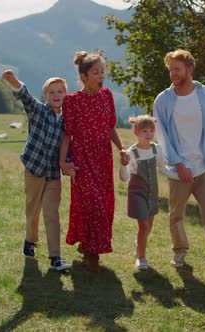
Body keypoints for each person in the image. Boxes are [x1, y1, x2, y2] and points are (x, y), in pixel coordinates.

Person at [153, 49, 205, 278]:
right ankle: (180, 250)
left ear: (189, 69)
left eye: (177, 69)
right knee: (176, 214)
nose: (173, 74)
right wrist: (179, 165)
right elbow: (162, 136)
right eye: (170, 69)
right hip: (179, 170)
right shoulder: (163, 100)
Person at [58, 50, 128, 272]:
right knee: (91, 204)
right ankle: (92, 253)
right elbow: (67, 134)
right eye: (96, 72)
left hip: (103, 158)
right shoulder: (71, 102)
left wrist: (122, 148)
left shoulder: (107, 96)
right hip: (81, 159)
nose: (101, 76)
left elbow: (110, 128)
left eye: (102, 72)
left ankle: (89, 245)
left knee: (103, 205)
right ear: (84, 76)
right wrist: (62, 162)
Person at [1, 69, 72, 271]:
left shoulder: (67, 120)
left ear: (65, 95)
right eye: (52, 92)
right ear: (45, 96)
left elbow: (67, 145)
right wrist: (14, 81)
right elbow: (26, 97)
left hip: (52, 173)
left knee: (52, 214)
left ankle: (55, 258)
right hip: (34, 168)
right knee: (33, 210)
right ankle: (30, 241)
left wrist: (68, 164)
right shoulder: (38, 111)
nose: (56, 95)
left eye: (60, 92)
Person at [119, 115, 178, 270]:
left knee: (148, 227)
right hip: (137, 193)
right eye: (145, 130)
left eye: (151, 130)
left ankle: (138, 244)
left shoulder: (156, 149)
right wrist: (122, 165)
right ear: (136, 132)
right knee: (144, 226)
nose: (149, 134)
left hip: (152, 193)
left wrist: (181, 176)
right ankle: (141, 258)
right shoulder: (132, 153)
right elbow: (124, 178)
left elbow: (163, 169)